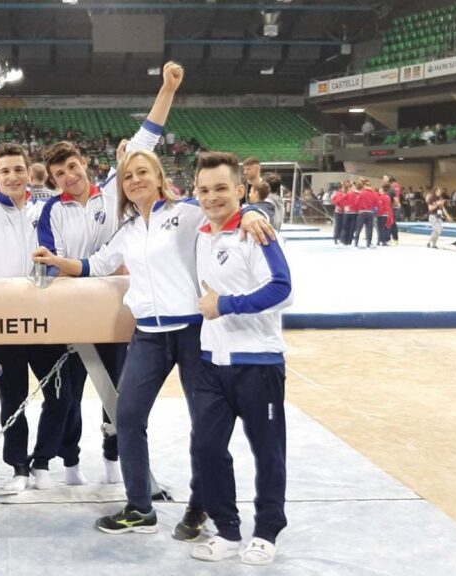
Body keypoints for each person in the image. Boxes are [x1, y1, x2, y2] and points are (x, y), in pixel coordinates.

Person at [34, 148, 273, 540]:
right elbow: (95, 265)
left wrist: (253, 213)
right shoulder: (126, 232)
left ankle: (202, 505)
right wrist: (60, 262)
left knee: (206, 426)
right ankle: (140, 507)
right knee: (126, 417)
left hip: (193, 332)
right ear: (123, 188)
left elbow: (226, 211)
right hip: (148, 334)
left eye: (142, 172)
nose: (135, 181)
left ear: (159, 177)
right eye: (128, 177)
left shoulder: (188, 213)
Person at [37, 60, 184, 489]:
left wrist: (168, 90)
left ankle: (114, 459)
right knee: (66, 394)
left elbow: (147, 140)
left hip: (116, 304)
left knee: (116, 392)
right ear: (53, 180)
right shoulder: (50, 210)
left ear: (85, 164)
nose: (70, 176)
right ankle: (65, 461)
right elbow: (58, 262)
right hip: (74, 305)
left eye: (73, 167)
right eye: (60, 174)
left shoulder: (111, 188)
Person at [0, 78, 73, 492]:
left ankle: (43, 459)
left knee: (61, 393)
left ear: (30, 173)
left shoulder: (46, 209)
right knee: (13, 400)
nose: (12, 175)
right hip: (2, 319)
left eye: (19, 169)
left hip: (44, 317)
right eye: (4, 170)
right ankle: (19, 467)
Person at [190, 151, 292, 566]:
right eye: (204, 190)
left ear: (239, 189)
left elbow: (283, 289)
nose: (212, 197)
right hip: (211, 361)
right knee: (207, 447)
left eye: (221, 189)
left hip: (258, 363)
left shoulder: (257, 232)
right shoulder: (200, 233)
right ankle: (227, 530)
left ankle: (267, 530)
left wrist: (226, 305)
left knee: (267, 450)